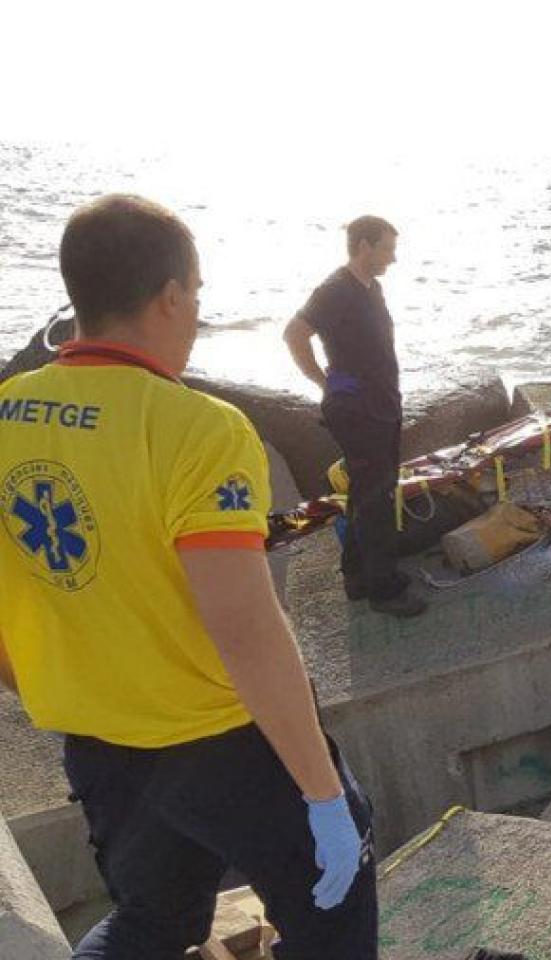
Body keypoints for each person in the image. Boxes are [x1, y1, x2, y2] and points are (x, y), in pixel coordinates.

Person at [0, 195, 375, 958]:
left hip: (98, 745)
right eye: (197, 294)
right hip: (221, 745)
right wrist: (325, 794)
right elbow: (246, 631)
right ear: (170, 295)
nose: (197, 310)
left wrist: (52, 688)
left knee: (156, 919)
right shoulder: (198, 429)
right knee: (333, 913)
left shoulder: (7, 410)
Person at [282, 216, 425, 617]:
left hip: (383, 404)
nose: (392, 258)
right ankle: (385, 590)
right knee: (375, 497)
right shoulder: (334, 290)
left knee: (368, 491)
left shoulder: (372, 288)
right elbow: (294, 333)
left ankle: (357, 575)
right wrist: (322, 381)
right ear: (363, 246)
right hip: (357, 410)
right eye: (387, 249)